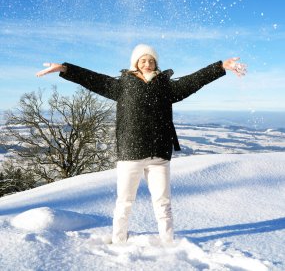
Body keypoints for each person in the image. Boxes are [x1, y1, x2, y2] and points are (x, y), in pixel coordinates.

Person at [36, 44, 247, 244]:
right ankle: (119, 242)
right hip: (130, 152)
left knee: (163, 203)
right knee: (124, 202)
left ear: (156, 64)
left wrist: (220, 67)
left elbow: (194, 80)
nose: (147, 63)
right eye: (143, 60)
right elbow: (92, 79)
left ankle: (168, 243)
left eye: (151, 60)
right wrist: (65, 68)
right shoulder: (122, 85)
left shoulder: (167, 87)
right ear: (135, 63)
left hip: (159, 154)